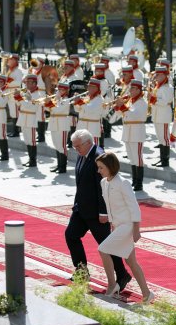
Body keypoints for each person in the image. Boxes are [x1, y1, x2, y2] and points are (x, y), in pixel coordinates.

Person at [65, 130, 132, 290]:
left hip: (96, 213)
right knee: (71, 235)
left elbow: (105, 187)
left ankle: (122, 274)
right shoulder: (83, 153)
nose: (76, 149)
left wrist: (104, 212)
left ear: (88, 142)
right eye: (74, 147)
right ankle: (81, 271)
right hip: (81, 209)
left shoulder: (99, 157)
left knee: (107, 245)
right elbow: (82, 183)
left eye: (78, 146)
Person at [95, 152, 153, 303]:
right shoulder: (104, 183)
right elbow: (109, 207)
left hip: (127, 225)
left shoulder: (123, 183)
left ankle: (112, 285)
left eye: (101, 168)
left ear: (110, 167)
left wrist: (136, 230)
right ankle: (147, 294)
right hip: (118, 225)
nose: (99, 171)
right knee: (131, 262)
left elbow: (134, 207)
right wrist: (113, 225)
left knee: (102, 249)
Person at [109, 79, 147, 191]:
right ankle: (134, 180)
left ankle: (139, 183)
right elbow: (115, 118)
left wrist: (122, 106)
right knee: (131, 158)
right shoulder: (130, 101)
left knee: (138, 158)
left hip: (137, 132)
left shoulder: (142, 103)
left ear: (139, 90)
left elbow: (134, 115)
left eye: (133, 88)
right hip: (127, 132)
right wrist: (116, 107)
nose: (130, 90)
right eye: (130, 88)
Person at [14, 74, 45, 167]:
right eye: (26, 82)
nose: (26, 84)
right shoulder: (26, 92)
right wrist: (17, 97)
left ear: (34, 83)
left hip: (31, 118)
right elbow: (19, 104)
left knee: (32, 141)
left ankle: (33, 161)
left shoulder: (37, 95)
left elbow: (31, 106)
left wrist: (21, 98)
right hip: (23, 117)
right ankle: (30, 159)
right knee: (27, 140)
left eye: (28, 82)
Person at [44, 82, 72, 173]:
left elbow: (57, 109)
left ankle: (63, 167)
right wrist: (47, 102)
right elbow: (47, 109)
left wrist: (50, 102)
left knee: (62, 146)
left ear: (66, 91)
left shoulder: (67, 99)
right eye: (59, 89)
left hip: (62, 124)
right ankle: (59, 165)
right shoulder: (57, 99)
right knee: (56, 145)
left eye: (62, 90)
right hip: (53, 123)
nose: (59, 91)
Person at [149, 66, 174, 167]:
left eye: (158, 75)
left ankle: (165, 160)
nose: (156, 76)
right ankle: (162, 159)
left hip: (163, 115)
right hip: (157, 114)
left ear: (164, 75)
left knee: (165, 138)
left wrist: (153, 100)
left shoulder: (168, 87)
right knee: (160, 138)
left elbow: (165, 101)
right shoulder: (158, 86)